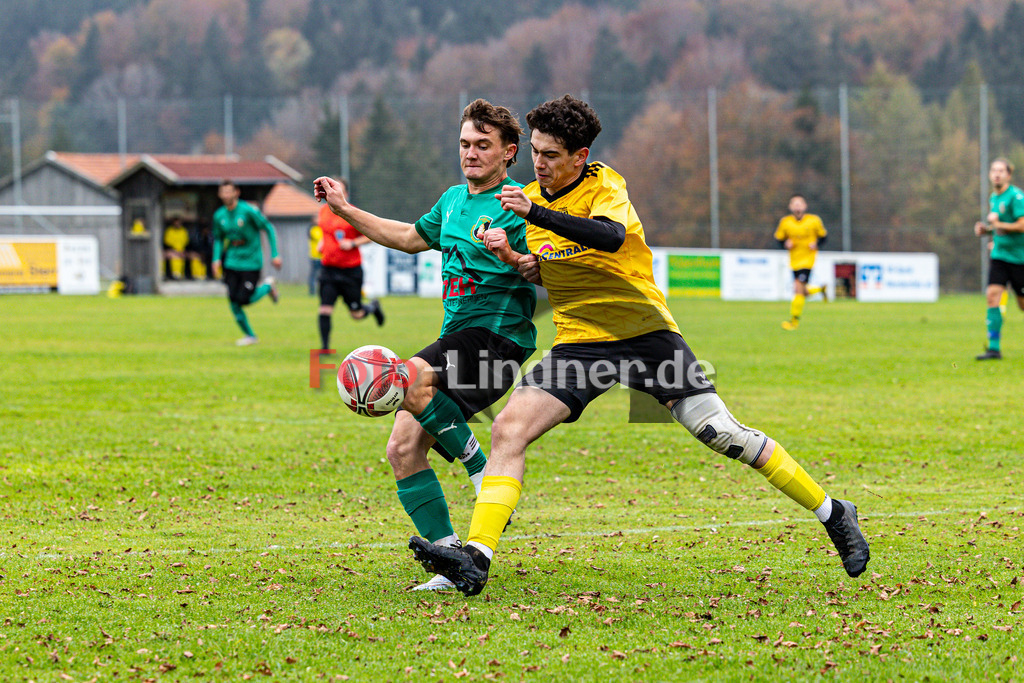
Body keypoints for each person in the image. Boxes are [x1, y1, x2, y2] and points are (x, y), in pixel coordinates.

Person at [409, 94, 870, 596]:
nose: (538, 165)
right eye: (536, 153)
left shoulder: (603, 185)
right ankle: (476, 558)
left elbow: (607, 238)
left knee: (721, 433)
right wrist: (520, 261)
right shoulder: (527, 205)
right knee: (507, 430)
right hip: (581, 343)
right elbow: (553, 267)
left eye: (551, 156)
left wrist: (537, 214)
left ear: (579, 157)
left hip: (645, 337)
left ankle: (833, 512)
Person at [314, 99, 537, 591]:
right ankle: (454, 561)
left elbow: (548, 267)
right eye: (464, 144)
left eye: (483, 145)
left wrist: (514, 254)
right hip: (455, 339)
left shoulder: (522, 203)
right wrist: (345, 209)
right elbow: (407, 236)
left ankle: (481, 467)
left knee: (402, 376)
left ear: (508, 152)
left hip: (498, 340)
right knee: (402, 447)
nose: (471, 153)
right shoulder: (453, 200)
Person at [315, 178, 385, 351]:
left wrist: (353, 244)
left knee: (357, 314)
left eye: (338, 189)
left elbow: (370, 235)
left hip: (350, 271)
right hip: (329, 270)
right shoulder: (323, 211)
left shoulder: (353, 213)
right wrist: (322, 243)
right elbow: (327, 232)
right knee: (324, 309)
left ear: (344, 193)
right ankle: (325, 348)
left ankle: (373, 307)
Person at [211, 179, 282, 346]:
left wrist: (275, 253)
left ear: (236, 192)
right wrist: (216, 259)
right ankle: (250, 335)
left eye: (229, 191)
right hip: (231, 262)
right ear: (220, 194)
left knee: (243, 299)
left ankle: (267, 286)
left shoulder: (248, 211)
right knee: (233, 301)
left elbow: (268, 228)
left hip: (251, 261)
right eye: (223, 191)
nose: (226, 194)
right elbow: (219, 239)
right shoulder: (219, 215)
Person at [974, 157, 1024, 360]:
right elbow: (999, 229)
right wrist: (986, 231)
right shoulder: (994, 198)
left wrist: (999, 225)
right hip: (1000, 256)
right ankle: (994, 348)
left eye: (1001, 171)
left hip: (1019, 258)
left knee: (1022, 304)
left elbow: (1021, 225)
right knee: (992, 296)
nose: (996, 174)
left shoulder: (1016, 196)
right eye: (993, 170)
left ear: (1008, 175)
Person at [774, 194, 828, 330]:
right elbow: (779, 239)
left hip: (808, 260)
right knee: (802, 291)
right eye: (794, 204)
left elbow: (823, 236)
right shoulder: (785, 222)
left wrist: (816, 244)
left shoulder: (814, 220)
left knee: (797, 288)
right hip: (794, 260)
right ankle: (820, 289)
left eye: (800, 203)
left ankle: (794, 321)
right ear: (790, 207)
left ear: (805, 206)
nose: (797, 206)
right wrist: (785, 244)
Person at [308, 220, 323, 296]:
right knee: (314, 275)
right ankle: (312, 291)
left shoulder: (321, 229)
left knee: (322, 275)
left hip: (322, 257)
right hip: (315, 256)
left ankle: (320, 291)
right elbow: (319, 238)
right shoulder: (314, 229)